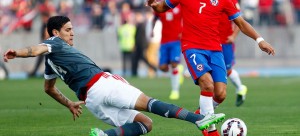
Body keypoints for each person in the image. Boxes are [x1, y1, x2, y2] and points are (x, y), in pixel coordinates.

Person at [3, 15, 225, 136]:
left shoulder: (51, 62)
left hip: (91, 101)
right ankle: (200, 120)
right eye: (68, 29)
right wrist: (18, 53)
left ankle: (104, 135)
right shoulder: (53, 44)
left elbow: (48, 89)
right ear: (54, 33)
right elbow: (35, 50)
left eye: (72, 29)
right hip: (102, 84)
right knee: (149, 103)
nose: (72, 33)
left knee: (145, 124)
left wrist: (70, 103)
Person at [146, 0, 275, 135]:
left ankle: (202, 112)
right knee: (207, 85)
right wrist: (155, 5)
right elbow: (163, 7)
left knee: (220, 94)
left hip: (215, 49)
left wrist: (260, 40)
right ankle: (210, 130)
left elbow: (241, 23)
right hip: (192, 47)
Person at [216, 0, 248, 107]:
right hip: (210, 41)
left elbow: (239, 21)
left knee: (227, 70)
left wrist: (233, 36)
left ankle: (240, 88)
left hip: (225, 41)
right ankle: (210, 106)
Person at [152, 0, 183, 100]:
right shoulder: (162, 5)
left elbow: (186, 19)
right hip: (164, 40)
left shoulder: (180, 6)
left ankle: (175, 91)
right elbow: (155, 18)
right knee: (163, 67)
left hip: (176, 40)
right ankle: (178, 70)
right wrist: (152, 30)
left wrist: (184, 31)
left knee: (174, 64)